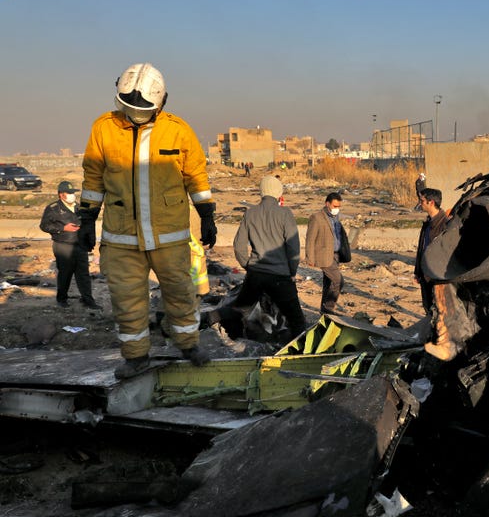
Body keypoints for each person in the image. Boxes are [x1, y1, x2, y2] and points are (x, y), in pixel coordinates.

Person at [78, 63, 217, 379]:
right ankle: (136, 357)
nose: (135, 113)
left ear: (162, 102)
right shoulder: (103, 128)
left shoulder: (178, 130)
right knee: (127, 302)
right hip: (120, 237)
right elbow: (93, 177)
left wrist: (207, 213)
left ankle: (188, 344)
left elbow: (196, 175)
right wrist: (87, 219)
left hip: (169, 236)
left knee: (181, 293)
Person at [217, 176, 306, 338]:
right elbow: (293, 248)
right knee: (297, 320)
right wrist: (291, 271)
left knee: (239, 310)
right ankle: (299, 353)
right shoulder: (285, 214)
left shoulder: (250, 214)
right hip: (280, 276)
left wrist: (249, 267)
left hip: (256, 275)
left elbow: (238, 246)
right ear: (279, 193)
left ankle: (232, 340)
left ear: (261, 192)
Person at [39, 181, 99, 309]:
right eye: (70, 193)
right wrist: (62, 228)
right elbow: (44, 226)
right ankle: (62, 299)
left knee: (83, 274)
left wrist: (90, 242)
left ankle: (88, 300)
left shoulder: (79, 207)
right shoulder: (53, 208)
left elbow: (88, 225)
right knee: (65, 273)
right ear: (61, 195)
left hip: (80, 245)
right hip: (63, 246)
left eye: (74, 193)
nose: (73, 195)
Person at [306, 192, 346, 314]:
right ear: (327, 204)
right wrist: (310, 258)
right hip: (323, 255)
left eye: (339, 206)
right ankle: (329, 308)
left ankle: (324, 310)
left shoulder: (336, 218)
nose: (336, 209)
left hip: (335, 255)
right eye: (334, 206)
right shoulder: (316, 217)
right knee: (338, 280)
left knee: (328, 283)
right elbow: (310, 239)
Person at [414, 188, 450, 311]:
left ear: (431, 202)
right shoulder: (428, 223)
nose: (420, 203)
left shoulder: (446, 225)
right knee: (428, 308)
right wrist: (418, 272)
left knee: (439, 312)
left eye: (422, 200)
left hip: (438, 278)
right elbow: (421, 248)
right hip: (425, 276)